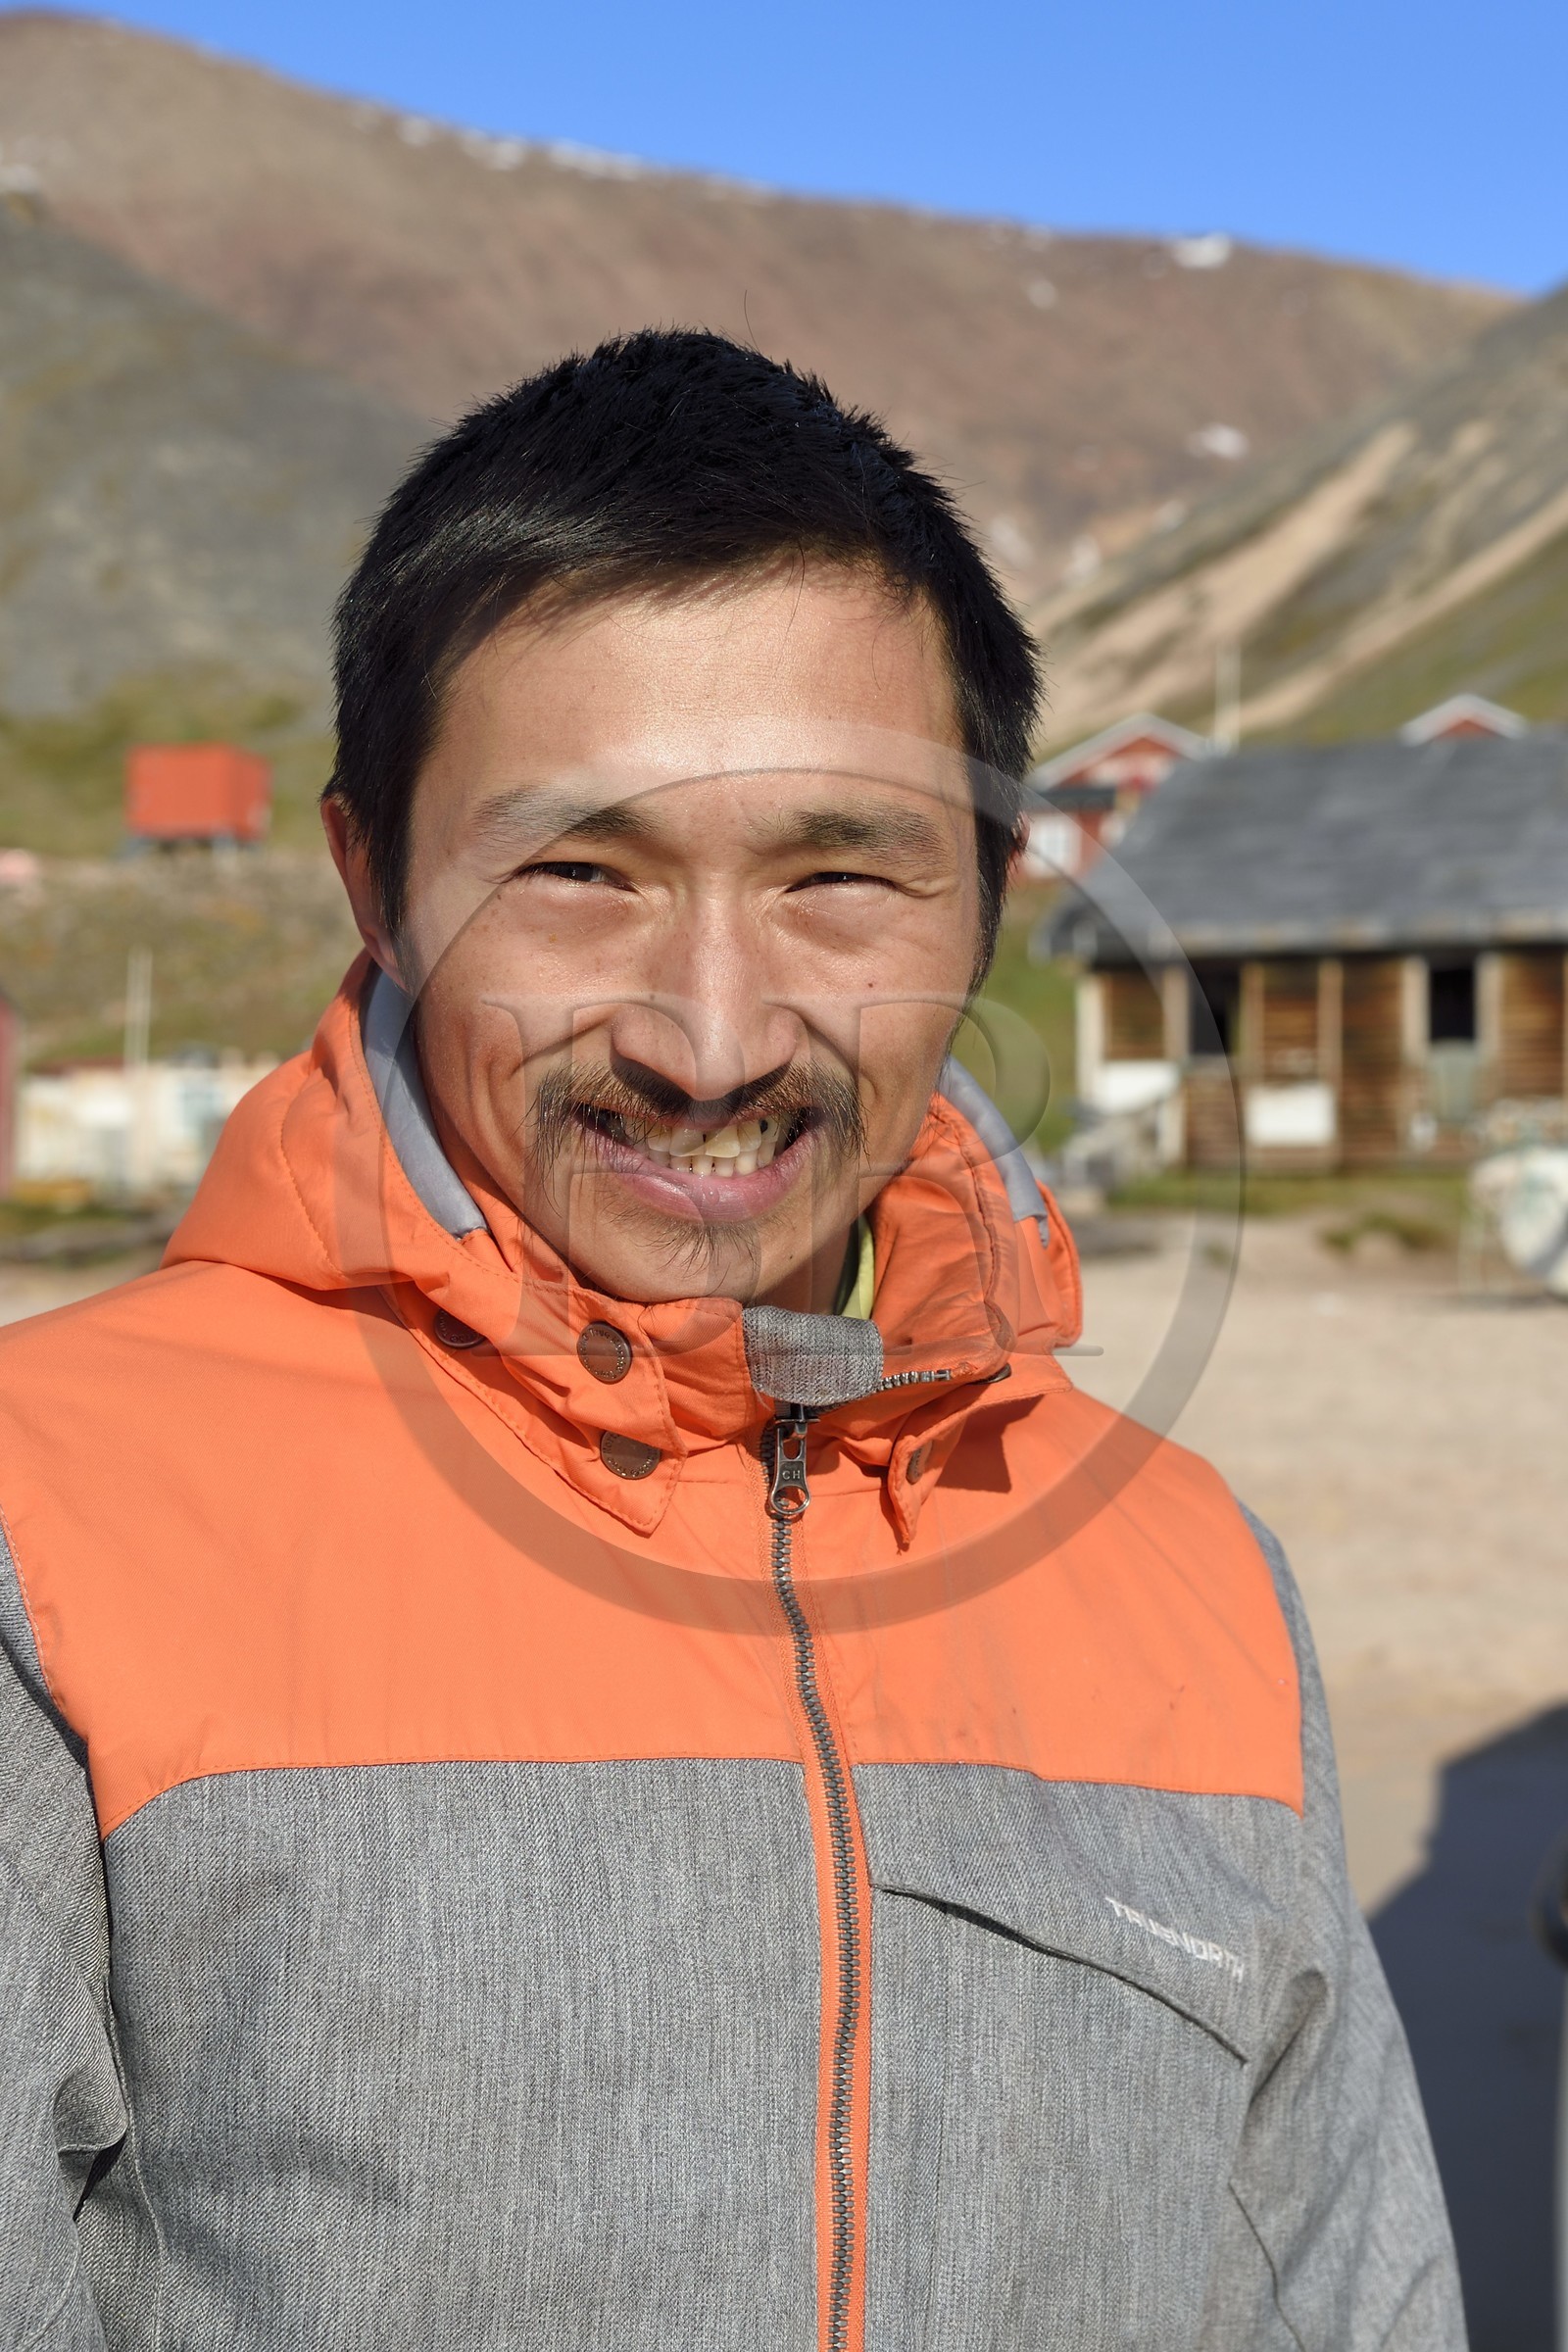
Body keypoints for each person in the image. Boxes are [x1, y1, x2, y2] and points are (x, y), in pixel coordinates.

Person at [0, 330, 1461, 2352]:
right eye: (577, 873)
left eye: (837, 878)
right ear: (373, 878)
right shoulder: (46, 1530)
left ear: (984, 904)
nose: (710, 1038)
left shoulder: (1186, 1577)